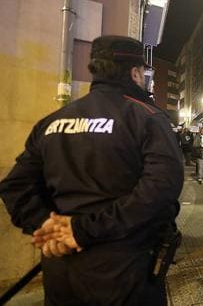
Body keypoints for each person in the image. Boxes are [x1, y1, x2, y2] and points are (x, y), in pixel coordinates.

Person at [0, 35, 183, 305]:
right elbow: (161, 188)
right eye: (144, 73)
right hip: (124, 268)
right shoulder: (147, 117)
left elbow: (14, 185)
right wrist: (81, 230)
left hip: (61, 267)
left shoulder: (52, 121)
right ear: (134, 72)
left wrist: (47, 226)